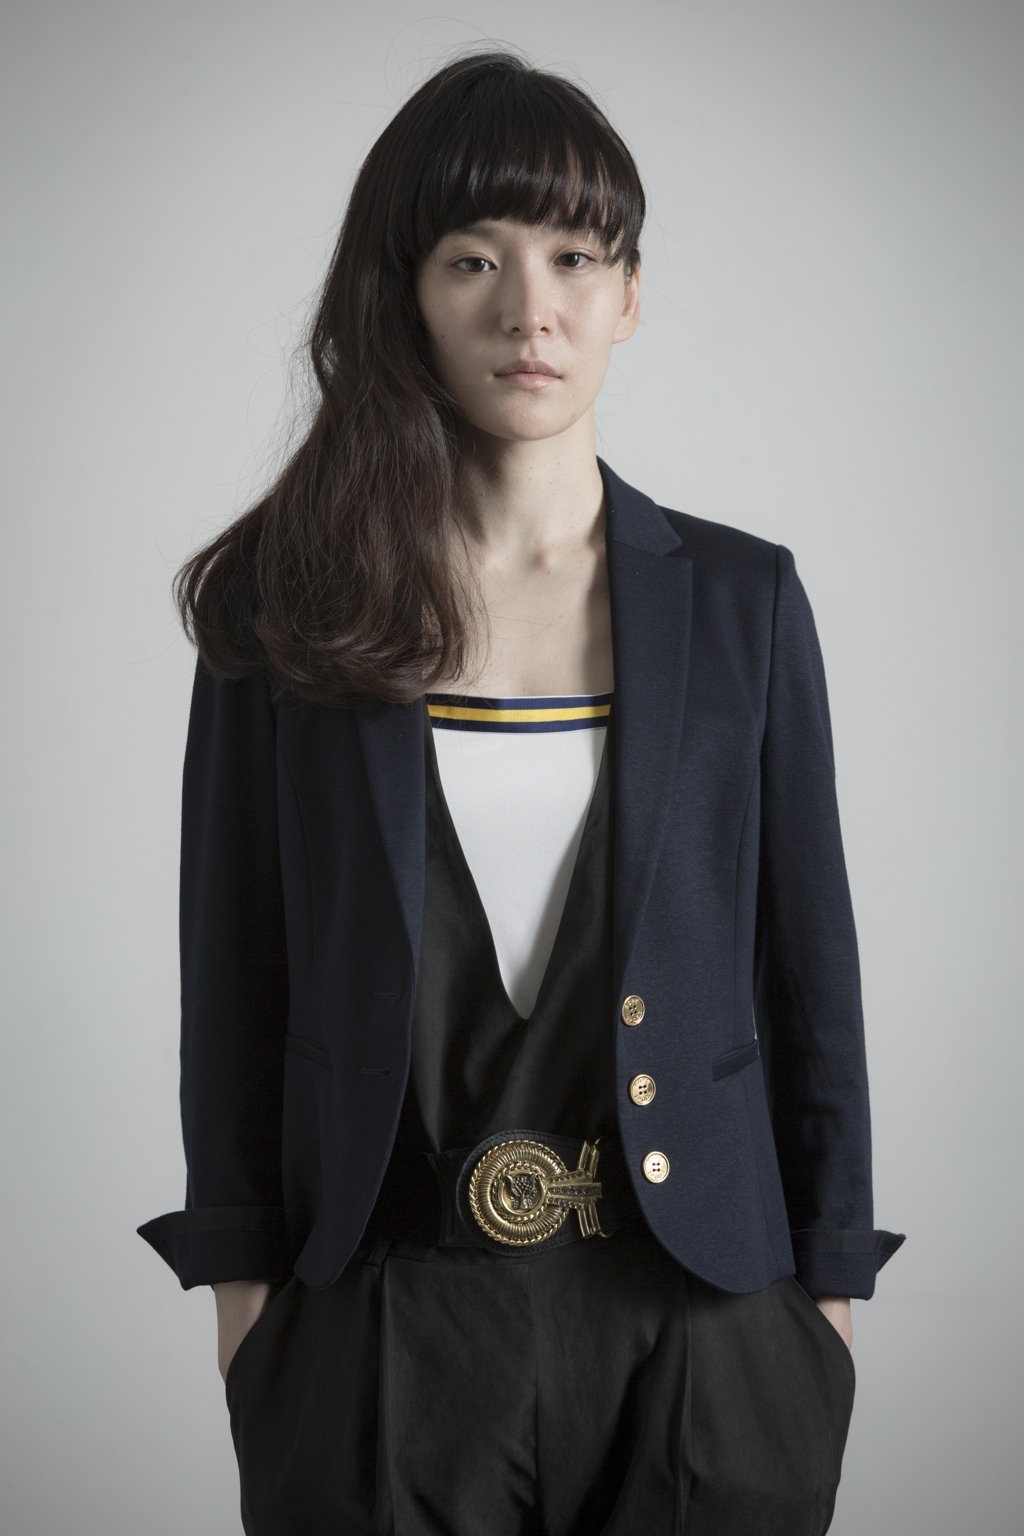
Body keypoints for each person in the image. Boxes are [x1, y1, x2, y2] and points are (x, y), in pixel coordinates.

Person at [139, 51, 903, 1536]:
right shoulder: (283, 606)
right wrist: (248, 1313)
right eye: (473, 259)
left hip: (704, 1325)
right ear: (405, 294)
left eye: (574, 257)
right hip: (381, 1330)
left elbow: (810, 969)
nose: (529, 310)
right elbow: (233, 969)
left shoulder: (743, 600)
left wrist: (824, 1310)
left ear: (631, 297)